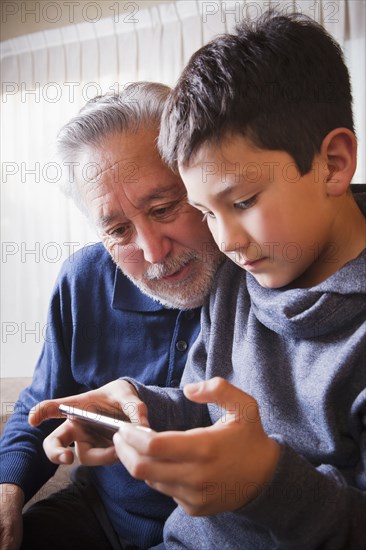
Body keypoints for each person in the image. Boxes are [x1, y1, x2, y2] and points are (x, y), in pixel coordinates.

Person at [33, 11, 366, 549]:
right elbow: (200, 403)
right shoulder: (241, 277)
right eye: (206, 213)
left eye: (241, 202)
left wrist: (266, 482)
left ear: (333, 162)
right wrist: (135, 403)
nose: (227, 241)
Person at [0, 82, 223, 550]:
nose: (152, 250)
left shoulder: (257, 272)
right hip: (97, 515)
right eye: (118, 229)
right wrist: (8, 488)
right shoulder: (84, 279)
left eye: (164, 208)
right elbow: (42, 403)